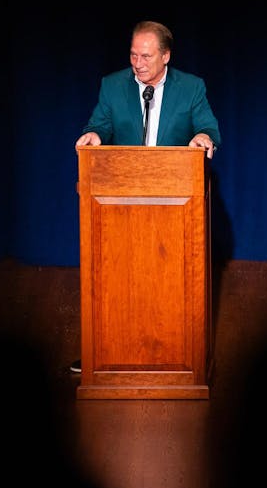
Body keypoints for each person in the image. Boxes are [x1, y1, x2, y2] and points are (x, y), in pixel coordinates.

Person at [69, 20, 222, 373]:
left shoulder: (191, 88)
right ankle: (108, 354)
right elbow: (100, 123)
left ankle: (176, 355)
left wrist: (203, 139)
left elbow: (208, 126)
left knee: (166, 287)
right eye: (134, 55)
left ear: (166, 56)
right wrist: (92, 134)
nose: (138, 63)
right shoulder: (112, 86)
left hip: (174, 204)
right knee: (120, 283)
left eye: (147, 56)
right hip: (120, 205)